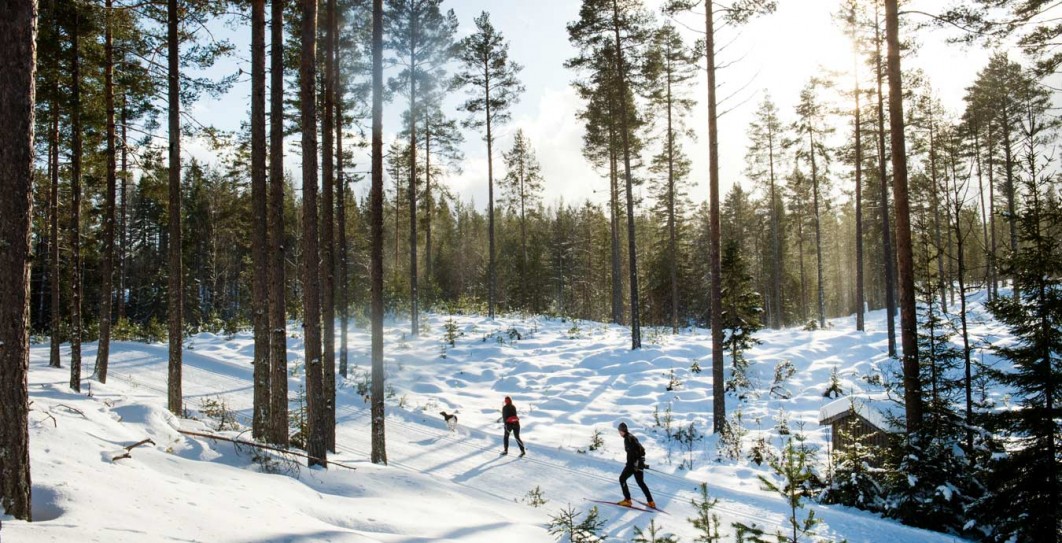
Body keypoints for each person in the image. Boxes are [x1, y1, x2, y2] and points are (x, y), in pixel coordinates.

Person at [617, 422, 655, 508]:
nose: (620, 433)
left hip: (633, 465)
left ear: (623, 431)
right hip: (638, 464)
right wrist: (641, 462)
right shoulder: (632, 437)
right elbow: (642, 450)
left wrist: (634, 463)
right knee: (641, 482)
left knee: (622, 479)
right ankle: (651, 502)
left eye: (620, 431)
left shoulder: (627, 439)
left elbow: (632, 453)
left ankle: (627, 500)